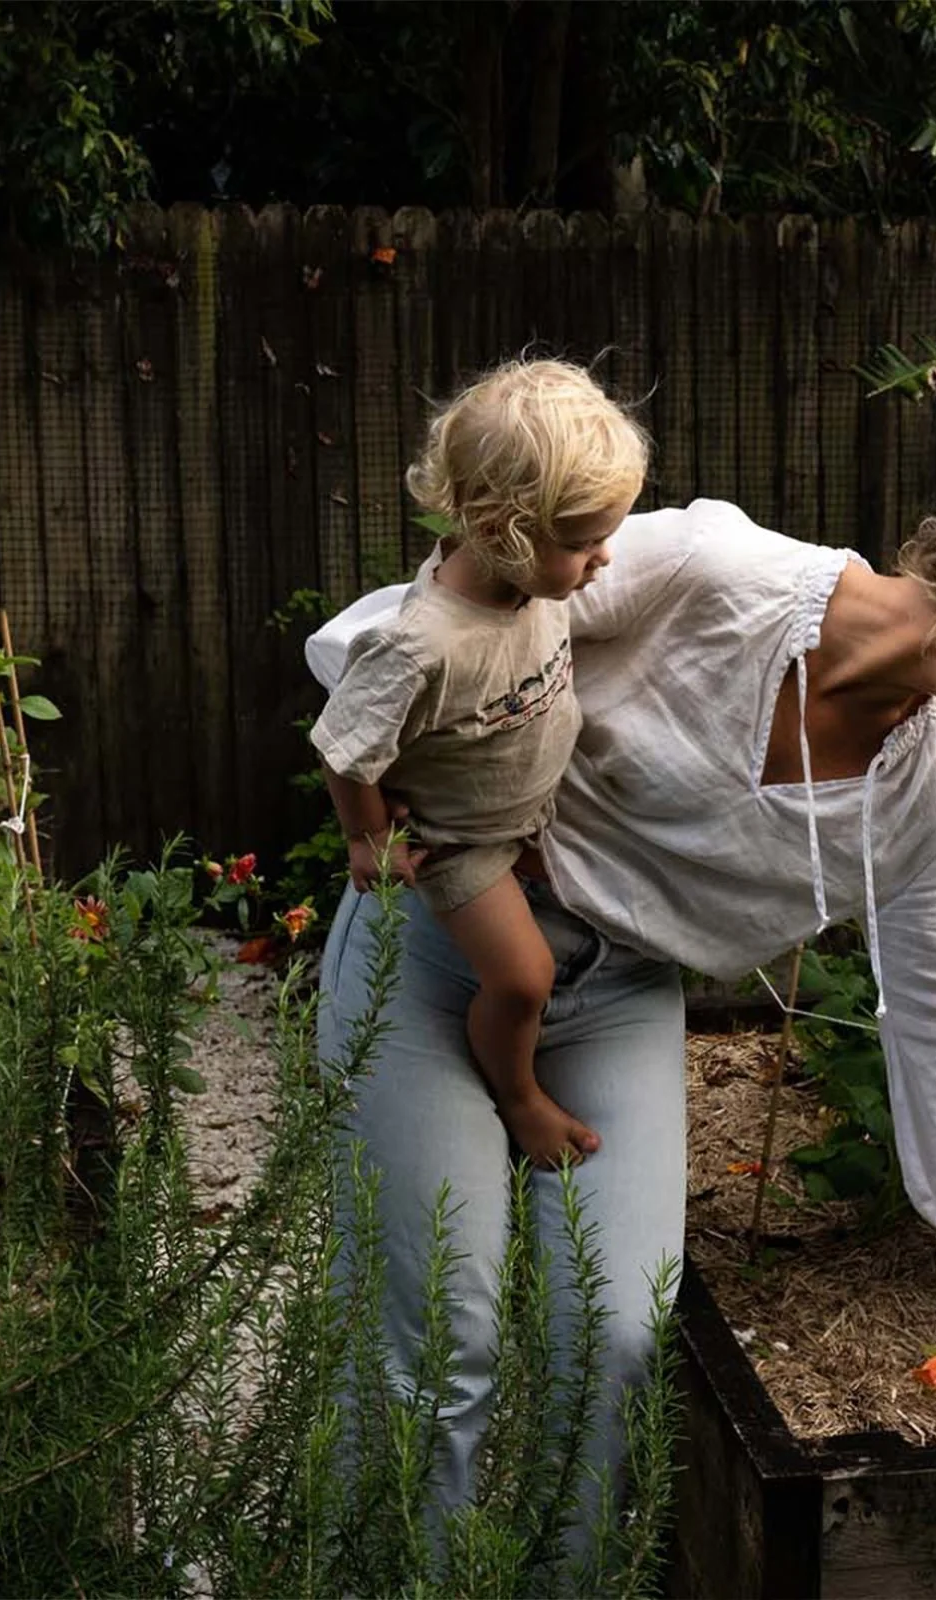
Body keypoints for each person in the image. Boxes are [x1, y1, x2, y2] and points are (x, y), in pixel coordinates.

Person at [309, 482, 936, 1532]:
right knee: (438, 1336)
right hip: (445, 941)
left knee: (617, 1335)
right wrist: (392, 775)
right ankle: (396, 1572)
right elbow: (475, 611)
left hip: (616, 992)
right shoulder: (718, 576)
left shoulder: (925, 796)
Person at [310, 358, 648, 1168]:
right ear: (504, 532)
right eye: (582, 541)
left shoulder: (530, 587)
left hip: (526, 815)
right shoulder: (422, 644)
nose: (603, 558)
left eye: (609, 534)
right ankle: (517, 1095)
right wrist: (368, 842)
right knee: (524, 977)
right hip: (463, 845)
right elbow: (343, 748)